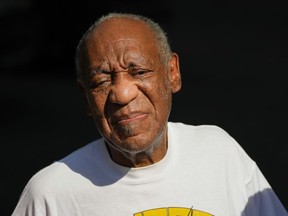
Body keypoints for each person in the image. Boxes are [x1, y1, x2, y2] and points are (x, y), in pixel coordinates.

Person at [12, 12, 287, 216]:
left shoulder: (220, 153)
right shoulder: (51, 195)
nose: (122, 94)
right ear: (86, 98)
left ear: (172, 74)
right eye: (101, 82)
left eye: (139, 72)